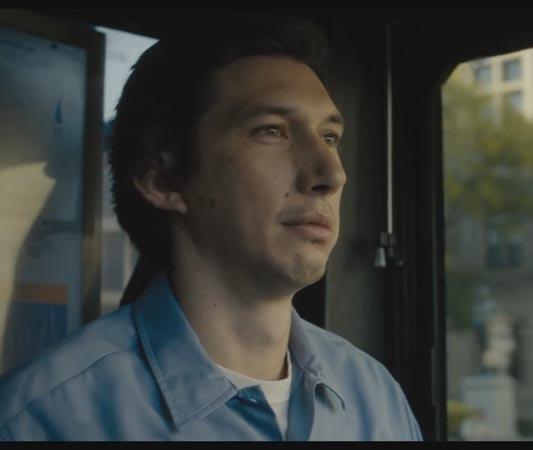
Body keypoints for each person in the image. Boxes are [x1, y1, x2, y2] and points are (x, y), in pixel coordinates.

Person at [0, 20, 422, 441]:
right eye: (272, 131)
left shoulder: (375, 397)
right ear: (164, 181)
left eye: (330, 137)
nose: (332, 174)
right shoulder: (42, 420)